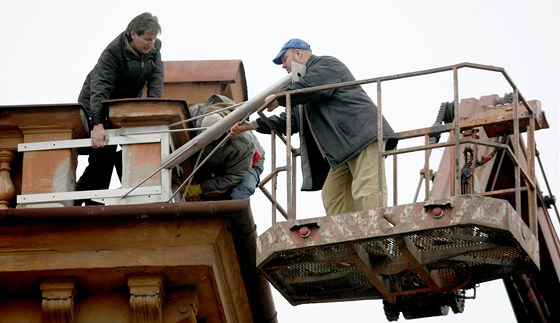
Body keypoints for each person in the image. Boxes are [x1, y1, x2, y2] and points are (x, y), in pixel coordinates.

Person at [230, 38, 399, 215]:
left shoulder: (326, 64)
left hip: (361, 134)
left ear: (299, 53)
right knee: (332, 194)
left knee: (367, 186)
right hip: (344, 147)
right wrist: (252, 125)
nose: (283, 66)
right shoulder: (303, 93)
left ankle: (373, 230)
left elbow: (313, 87)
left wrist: (278, 98)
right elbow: (291, 120)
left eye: (285, 59)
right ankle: (346, 237)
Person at [75, 12, 164, 205]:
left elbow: (156, 82)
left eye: (154, 39)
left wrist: (152, 112)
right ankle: (89, 200)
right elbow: (100, 88)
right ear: (133, 34)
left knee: (132, 145)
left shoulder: (154, 51)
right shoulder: (113, 53)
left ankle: (89, 195)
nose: (151, 44)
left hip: (124, 108)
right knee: (104, 150)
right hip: (96, 103)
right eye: (147, 39)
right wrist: (97, 123)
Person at [185, 95, 265, 201]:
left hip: (249, 165)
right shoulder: (194, 114)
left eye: (211, 140)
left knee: (238, 197)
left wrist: (200, 188)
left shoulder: (241, 143)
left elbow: (233, 176)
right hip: (213, 161)